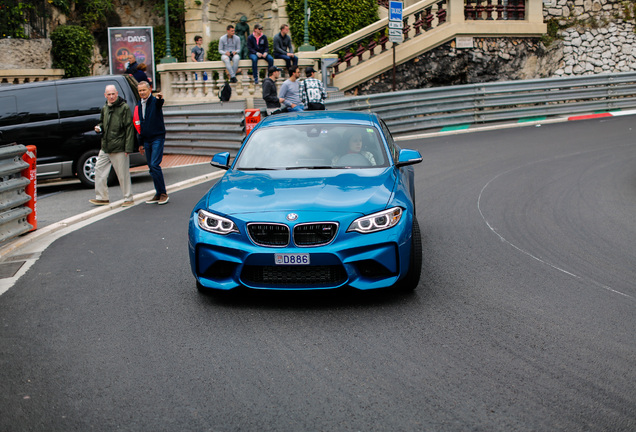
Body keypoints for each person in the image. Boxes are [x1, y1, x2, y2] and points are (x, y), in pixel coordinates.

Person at [90, 85, 135, 207]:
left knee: (122, 174)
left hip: (119, 146)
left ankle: (128, 198)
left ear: (117, 93)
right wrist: (99, 127)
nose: (111, 96)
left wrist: (128, 148)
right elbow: (102, 122)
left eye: (113, 94)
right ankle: (102, 197)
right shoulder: (105, 108)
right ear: (105, 95)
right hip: (106, 146)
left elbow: (129, 128)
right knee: (99, 170)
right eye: (108, 94)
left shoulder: (124, 108)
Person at [135, 81, 169, 205]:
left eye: (144, 90)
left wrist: (160, 98)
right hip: (146, 139)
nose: (142, 93)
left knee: (155, 164)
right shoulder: (139, 104)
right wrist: (140, 143)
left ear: (149, 89)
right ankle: (158, 193)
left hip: (157, 137)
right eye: (140, 91)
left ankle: (163, 193)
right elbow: (141, 124)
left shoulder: (155, 101)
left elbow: (159, 102)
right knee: (151, 167)